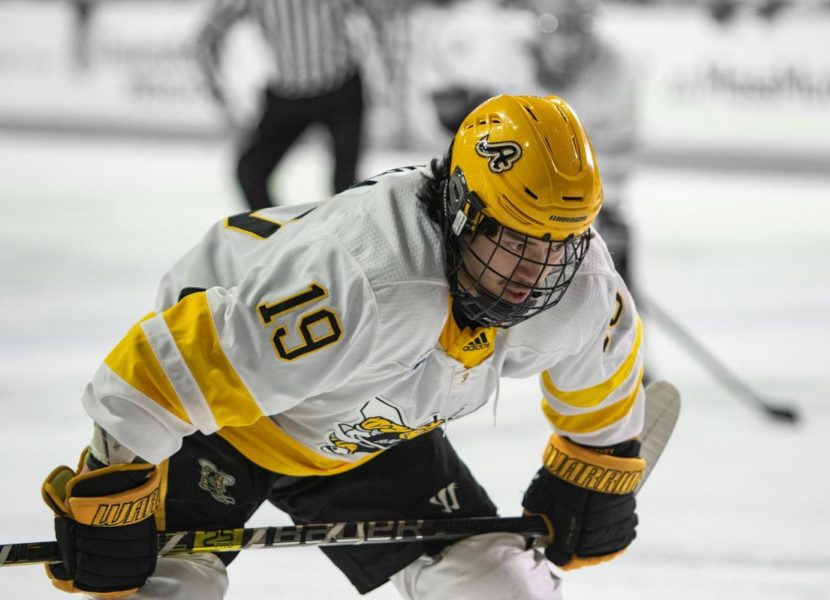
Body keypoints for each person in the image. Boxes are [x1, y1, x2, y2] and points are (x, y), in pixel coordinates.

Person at [41, 94, 647, 599]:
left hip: (363, 426)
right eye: (515, 239)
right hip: (222, 427)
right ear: (463, 208)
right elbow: (152, 375)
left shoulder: (581, 287)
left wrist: (593, 469)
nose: (536, 272)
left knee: (502, 586)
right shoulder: (365, 283)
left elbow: (605, 367)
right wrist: (111, 491)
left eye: (560, 243)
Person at [196, 0, 394, 211]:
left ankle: (347, 241)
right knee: (250, 172)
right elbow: (208, 38)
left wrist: (385, 76)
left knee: (346, 186)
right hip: (288, 95)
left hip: (340, 89)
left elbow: (379, 15)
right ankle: (281, 237)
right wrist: (221, 94)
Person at [525, 0, 641, 289]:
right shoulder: (515, 55)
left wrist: (609, 202)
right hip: (528, 198)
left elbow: (617, 145)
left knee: (605, 290)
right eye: (554, 25)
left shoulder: (615, 69)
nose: (565, 44)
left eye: (576, 27)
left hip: (583, 198)